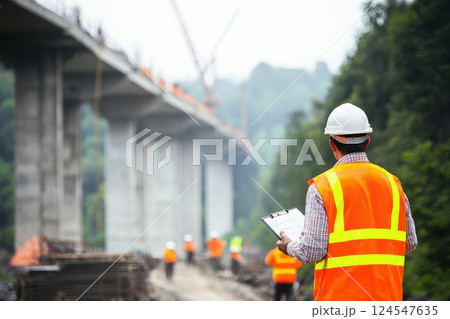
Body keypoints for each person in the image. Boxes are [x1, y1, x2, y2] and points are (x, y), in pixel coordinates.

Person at [277, 103, 418, 301]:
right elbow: (410, 243)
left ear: (332, 144)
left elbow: (313, 251)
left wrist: (289, 246)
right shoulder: (393, 184)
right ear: (367, 141)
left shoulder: (322, 186)